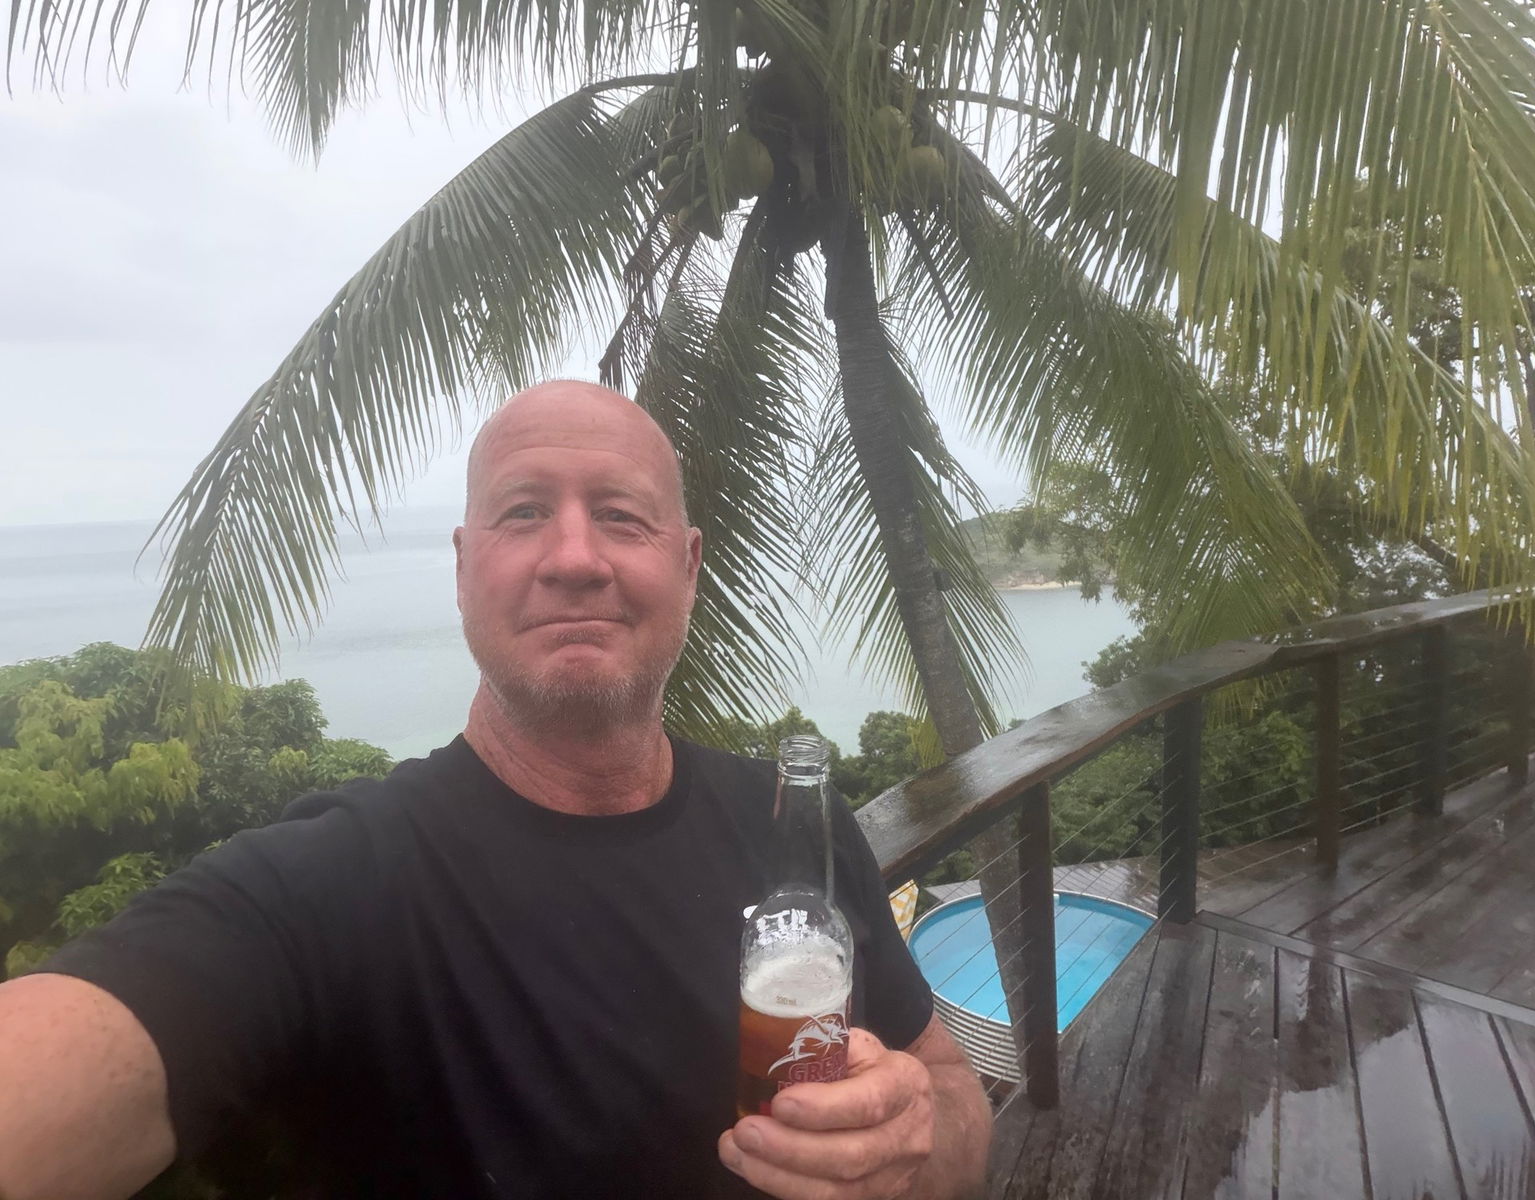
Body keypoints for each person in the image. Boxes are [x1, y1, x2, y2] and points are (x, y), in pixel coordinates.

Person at [0, 381, 993, 1200]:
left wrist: (910, 1136)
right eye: (524, 514)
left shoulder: (785, 822)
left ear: (686, 567)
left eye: (620, 515)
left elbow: (953, 1097)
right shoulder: (335, 884)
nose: (573, 558)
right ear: (466, 568)